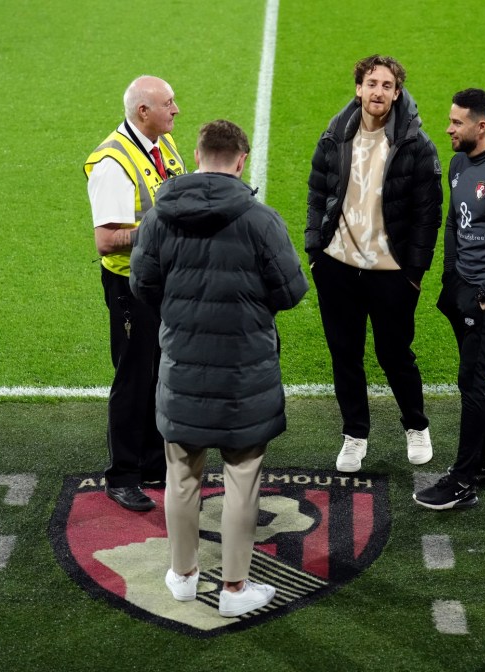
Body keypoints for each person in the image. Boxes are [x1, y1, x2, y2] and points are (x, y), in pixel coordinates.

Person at [129, 119, 309, 617]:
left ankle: (183, 577)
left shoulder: (159, 219)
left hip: (183, 368)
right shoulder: (260, 220)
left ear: (197, 154)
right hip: (244, 374)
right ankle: (233, 590)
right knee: (242, 477)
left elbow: (142, 286)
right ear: (240, 161)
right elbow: (292, 292)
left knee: (181, 476)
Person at [306, 54, 443, 473]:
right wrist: (316, 253)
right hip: (338, 267)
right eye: (371, 83)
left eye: (386, 85)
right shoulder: (334, 136)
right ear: (358, 89)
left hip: (391, 274)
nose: (377, 91)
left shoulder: (417, 145)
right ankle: (355, 435)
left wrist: (414, 274)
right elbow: (317, 194)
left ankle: (416, 425)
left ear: (397, 93)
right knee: (344, 354)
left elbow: (428, 214)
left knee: (394, 353)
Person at [413, 88, 485, 510]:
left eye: (456, 122)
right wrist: (450, 276)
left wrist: (483, 296)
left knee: (472, 380)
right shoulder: (459, 163)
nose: (448, 128)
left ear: (481, 126)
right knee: (480, 373)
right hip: (462, 284)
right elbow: (452, 223)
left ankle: (462, 482)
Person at [84, 75, 187, 512]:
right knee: (132, 378)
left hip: (163, 281)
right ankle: (123, 474)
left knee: (161, 371)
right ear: (143, 111)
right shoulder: (113, 164)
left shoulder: (163, 145)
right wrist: (158, 228)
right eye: (168, 103)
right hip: (131, 286)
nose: (176, 110)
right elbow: (106, 241)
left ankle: (151, 462)